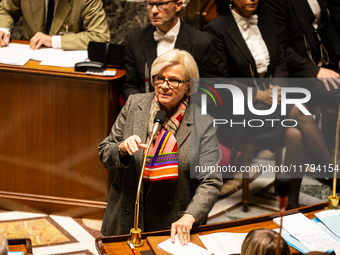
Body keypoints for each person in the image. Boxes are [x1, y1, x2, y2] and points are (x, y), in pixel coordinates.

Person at [203, 0, 335, 209]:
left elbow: (281, 61)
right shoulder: (216, 29)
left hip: (273, 101)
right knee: (301, 112)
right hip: (239, 110)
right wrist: (257, 95)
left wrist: (277, 87)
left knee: (296, 135)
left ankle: (291, 205)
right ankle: (331, 174)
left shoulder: (266, 22)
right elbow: (218, 82)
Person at [99, 49, 223, 244]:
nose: (164, 86)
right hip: (125, 218)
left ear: (188, 86)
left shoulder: (202, 122)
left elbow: (211, 181)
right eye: (159, 78)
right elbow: (105, 152)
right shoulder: (135, 104)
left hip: (171, 224)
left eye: (173, 80)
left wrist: (189, 216)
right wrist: (121, 149)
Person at [121, 0, 225, 102]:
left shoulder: (202, 42)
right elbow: (129, 85)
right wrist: (145, 106)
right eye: (150, 4)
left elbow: (213, 88)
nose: (154, 10)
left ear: (178, 5)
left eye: (161, 4)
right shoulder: (135, 39)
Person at [0, 0, 110, 50]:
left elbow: (100, 36)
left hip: (65, 69)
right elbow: (6, 10)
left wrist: (53, 41)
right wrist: (3, 29)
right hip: (28, 58)